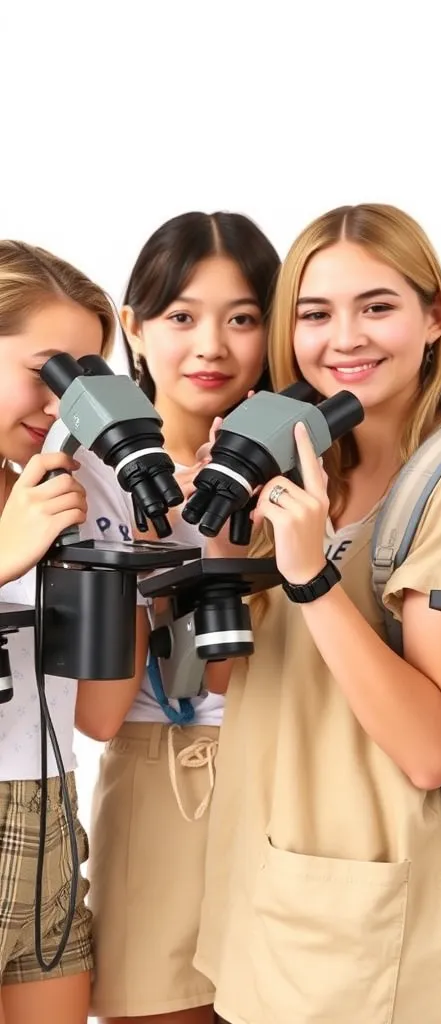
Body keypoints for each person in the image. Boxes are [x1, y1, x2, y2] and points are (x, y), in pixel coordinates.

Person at [192, 203, 441, 1024]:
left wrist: (309, 579)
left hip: (393, 942)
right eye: (315, 314)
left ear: (433, 318)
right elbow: (227, 676)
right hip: (270, 911)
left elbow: (432, 749)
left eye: (377, 306)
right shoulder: (300, 474)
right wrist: (226, 547)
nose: (345, 338)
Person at [75, 211, 279, 1024]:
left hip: (282, 771)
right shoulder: (84, 475)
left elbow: (241, 667)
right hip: (153, 775)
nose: (211, 347)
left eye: (243, 318)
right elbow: (98, 714)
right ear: (132, 327)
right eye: (181, 317)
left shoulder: (311, 464)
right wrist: (146, 541)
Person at [0, 240, 131, 1024]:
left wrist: (119, 542)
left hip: (52, 818)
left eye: (83, 380)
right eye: (47, 371)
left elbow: (102, 714)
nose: (60, 404)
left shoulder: (47, 496)